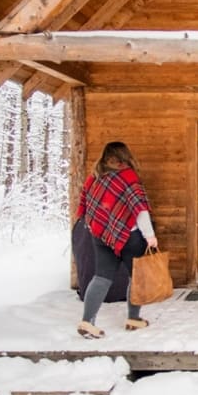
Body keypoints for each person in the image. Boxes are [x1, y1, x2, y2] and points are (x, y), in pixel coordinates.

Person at [76, 141, 158, 338]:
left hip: (100, 236)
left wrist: (96, 227)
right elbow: (140, 209)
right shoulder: (128, 177)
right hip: (130, 236)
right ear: (125, 156)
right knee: (136, 277)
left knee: (101, 277)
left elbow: (86, 206)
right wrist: (150, 236)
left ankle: (87, 322)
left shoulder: (95, 177)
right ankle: (133, 318)